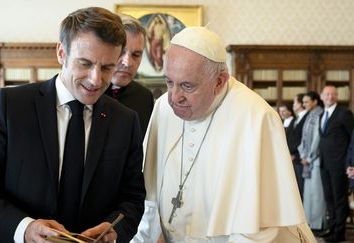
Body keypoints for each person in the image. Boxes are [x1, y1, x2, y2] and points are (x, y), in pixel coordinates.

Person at [0, 7, 145, 243]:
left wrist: (115, 230)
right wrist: (25, 229)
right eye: (85, 63)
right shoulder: (12, 106)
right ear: (61, 52)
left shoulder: (126, 121)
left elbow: (132, 198)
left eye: (107, 67)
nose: (96, 79)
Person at [132, 26, 315, 242]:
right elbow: (151, 199)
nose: (174, 97)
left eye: (187, 86)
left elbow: (256, 230)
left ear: (219, 81)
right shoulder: (163, 108)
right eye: (169, 82)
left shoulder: (256, 118)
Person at [105, 14, 154, 138]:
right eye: (121, 52)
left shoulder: (145, 98)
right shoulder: (87, 91)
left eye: (136, 54)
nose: (127, 62)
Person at [318, 85, 354, 242]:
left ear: (337, 96)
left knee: (340, 200)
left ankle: (339, 233)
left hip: (340, 165)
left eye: (333, 94)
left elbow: (352, 138)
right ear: (321, 96)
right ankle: (331, 228)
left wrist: (349, 163)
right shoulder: (322, 114)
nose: (330, 97)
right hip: (324, 164)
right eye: (327, 94)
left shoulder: (344, 113)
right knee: (329, 198)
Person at [297, 91, 326, 232]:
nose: (304, 104)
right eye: (303, 102)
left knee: (316, 194)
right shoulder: (309, 115)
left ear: (315, 101)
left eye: (307, 102)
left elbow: (317, 139)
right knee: (308, 193)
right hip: (306, 160)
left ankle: (318, 225)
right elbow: (303, 137)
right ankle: (309, 223)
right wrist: (302, 154)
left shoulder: (320, 114)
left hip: (316, 160)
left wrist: (308, 157)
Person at [290, 93, 309, 198]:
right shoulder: (297, 118)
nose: (293, 105)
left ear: (301, 104)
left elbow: (303, 139)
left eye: (295, 102)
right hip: (294, 158)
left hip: (300, 158)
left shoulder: (306, 117)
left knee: (302, 189)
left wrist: (295, 155)